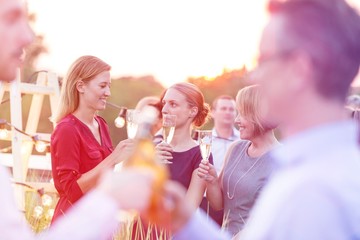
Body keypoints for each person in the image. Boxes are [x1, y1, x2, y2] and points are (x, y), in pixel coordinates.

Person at [238, 0, 360, 239]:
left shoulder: (313, 194)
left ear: (298, 70)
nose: (253, 75)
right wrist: (184, 221)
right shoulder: (327, 168)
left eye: (263, 60)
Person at [50, 55, 135, 223]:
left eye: (109, 86)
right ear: (80, 86)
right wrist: (113, 159)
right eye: (102, 86)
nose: (108, 93)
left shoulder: (101, 124)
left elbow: (104, 179)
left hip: (99, 222)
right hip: (74, 225)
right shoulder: (67, 129)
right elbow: (72, 191)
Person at [132, 82, 213, 239]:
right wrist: (152, 164)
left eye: (173, 104)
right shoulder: (149, 146)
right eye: (164, 103)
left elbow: (188, 209)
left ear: (192, 111)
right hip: (139, 232)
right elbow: (130, 194)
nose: (164, 109)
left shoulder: (201, 155)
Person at [198, 85, 279, 236]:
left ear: (259, 115)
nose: (236, 120)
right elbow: (218, 205)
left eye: (242, 114)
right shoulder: (235, 148)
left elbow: (274, 221)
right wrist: (212, 180)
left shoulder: (280, 161)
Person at [199, 95, 239, 226]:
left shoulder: (244, 140)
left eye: (231, 109)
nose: (228, 112)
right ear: (213, 112)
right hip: (207, 203)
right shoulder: (203, 140)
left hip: (235, 203)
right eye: (223, 108)